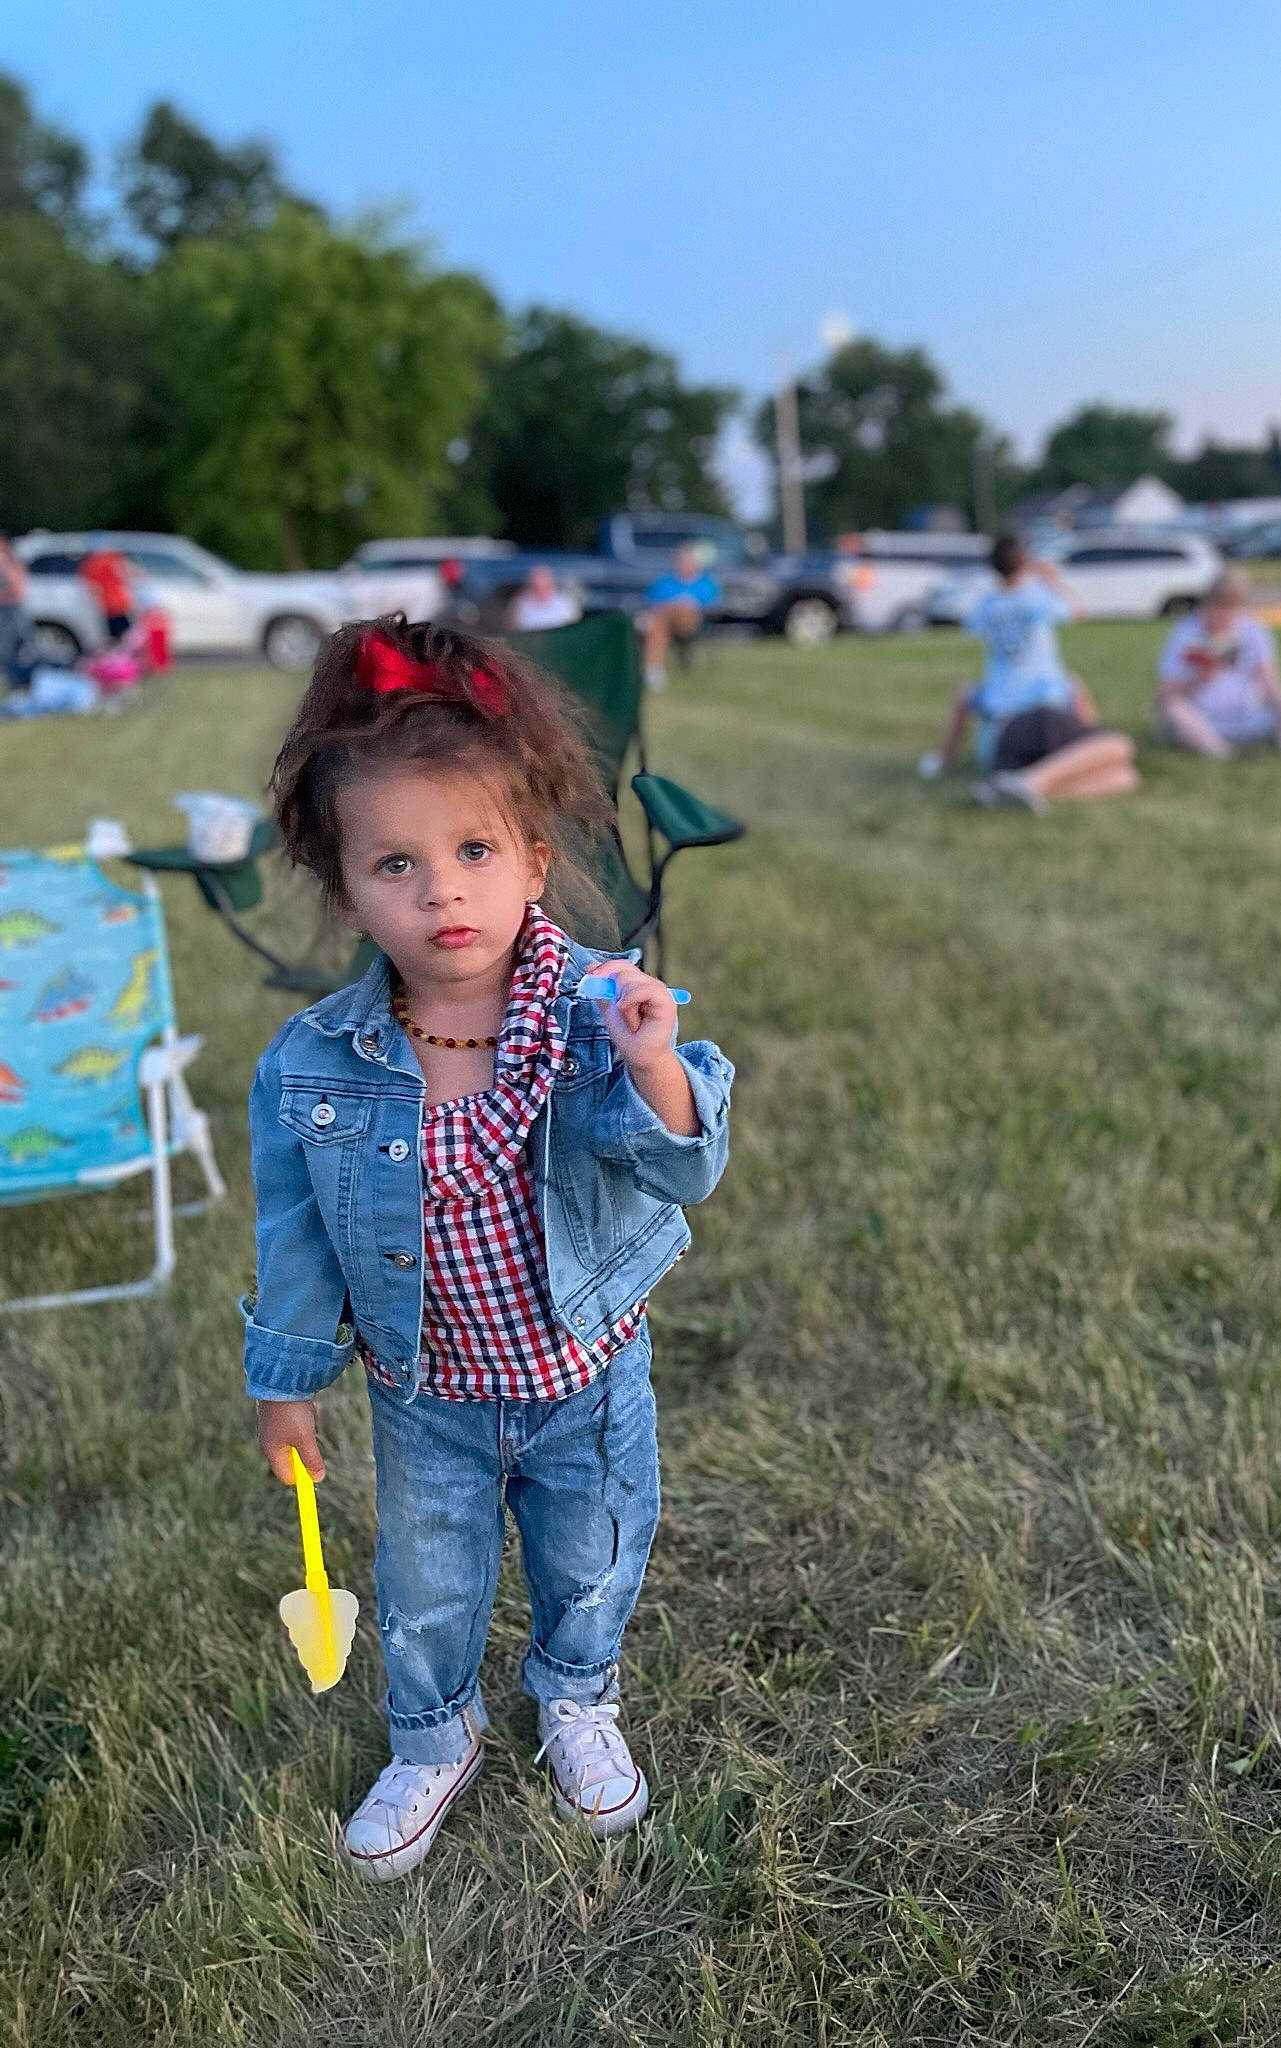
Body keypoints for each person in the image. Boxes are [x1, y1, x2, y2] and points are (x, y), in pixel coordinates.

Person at [248, 617, 733, 1879]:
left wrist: (653, 1064)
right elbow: (295, 1235)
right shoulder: (314, 1065)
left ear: (533, 859)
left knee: (593, 1555)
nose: (441, 891)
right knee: (425, 1583)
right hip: (430, 1393)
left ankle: (576, 1694)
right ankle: (432, 1733)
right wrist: (286, 1380)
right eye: (395, 863)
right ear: (346, 888)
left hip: (585, 1375)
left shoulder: (595, 1014)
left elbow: (687, 1166)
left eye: (473, 850)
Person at [920, 534, 1138, 810]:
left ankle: (1018, 789)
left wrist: (944, 761)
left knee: (1125, 778)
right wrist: (1051, 579)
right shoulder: (1037, 596)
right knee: (1119, 745)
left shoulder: (987, 606)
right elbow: (1077, 612)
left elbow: (965, 692)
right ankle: (1031, 782)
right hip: (1039, 718)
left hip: (1000, 744)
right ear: (1025, 562)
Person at [1156, 568, 1281, 757]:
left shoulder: (1253, 629)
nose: (1223, 617)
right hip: (1201, 718)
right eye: (1218, 608)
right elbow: (1166, 695)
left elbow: (1270, 681)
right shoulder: (1185, 632)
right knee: (1175, 710)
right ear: (1207, 605)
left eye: (1230, 610)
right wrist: (1201, 677)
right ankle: (1222, 752)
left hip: (1247, 713)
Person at [639, 544, 718, 690]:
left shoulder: (706, 584)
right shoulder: (664, 581)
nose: (683, 564)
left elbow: (714, 610)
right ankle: (653, 671)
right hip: (662, 624)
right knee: (659, 627)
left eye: (687, 561)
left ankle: (653, 672)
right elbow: (649, 604)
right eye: (681, 560)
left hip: (691, 625)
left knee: (683, 608)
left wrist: (681, 606)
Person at [78, 545, 137, 644]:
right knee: (126, 634)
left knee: (115, 634)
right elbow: (126, 574)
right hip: (119, 603)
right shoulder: (112, 559)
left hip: (108, 603)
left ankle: (117, 650)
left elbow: (89, 585)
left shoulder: (90, 563)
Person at [508, 563, 581, 632]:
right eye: (536, 586)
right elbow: (515, 629)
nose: (541, 590)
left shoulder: (565, 601)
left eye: (544, 585)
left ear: (551, 583)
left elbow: (574, 627)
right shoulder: (521, 604)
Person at [0, 536, 30, 686]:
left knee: (19, 642)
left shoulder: (8, 560)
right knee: (8, 644)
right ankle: (10, 676)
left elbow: (16, 583)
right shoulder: (6, 561)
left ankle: (17, 676)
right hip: (8, 607)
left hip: (13, 606)